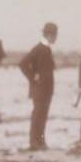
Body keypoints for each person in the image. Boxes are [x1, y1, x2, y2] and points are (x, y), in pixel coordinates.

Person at [19, 22, 58, 151]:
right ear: (49, 35)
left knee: (43, 115)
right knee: (37, 115)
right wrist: (32, 77)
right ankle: (33, 142)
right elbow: (22, 63)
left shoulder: (46, 48)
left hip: (46, 89)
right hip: (39, 88)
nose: (56, 38)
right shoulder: (39, 48)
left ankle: (40, 142)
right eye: (55, 35)